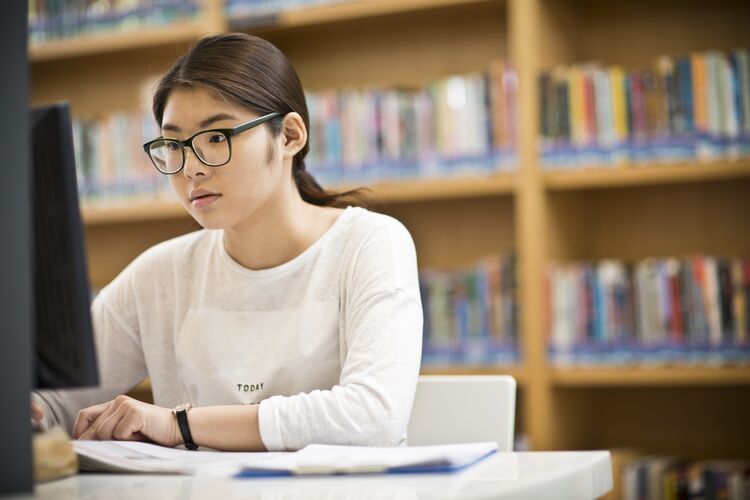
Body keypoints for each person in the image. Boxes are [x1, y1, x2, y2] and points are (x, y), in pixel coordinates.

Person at [31, 33, 423, 452]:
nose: (191, 169)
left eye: (216, 137)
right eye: (174, 145)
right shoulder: (160, 274)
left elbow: (373, 417)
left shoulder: (370, 244)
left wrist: (179, 425)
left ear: (290, 135)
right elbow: (55, 402)